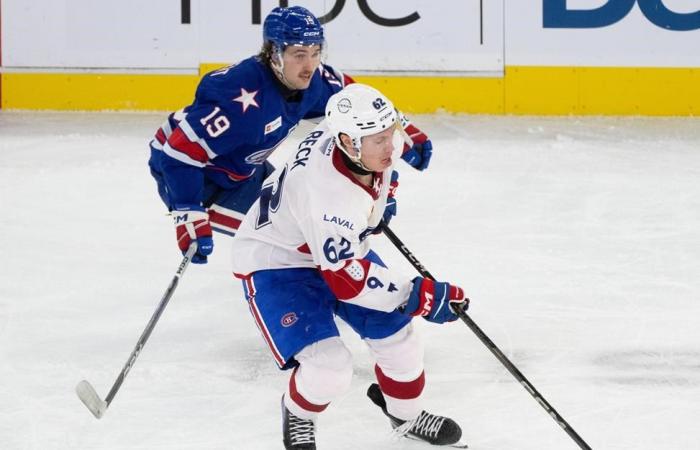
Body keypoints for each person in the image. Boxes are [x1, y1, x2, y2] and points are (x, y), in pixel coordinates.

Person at [231, 83, 469, 449]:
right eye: (380, 141)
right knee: (329, 368)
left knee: (401, 342)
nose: (391, 146)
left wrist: (383, 189)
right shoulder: (329, 199)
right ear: (348, 141)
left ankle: (404, 417)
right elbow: (348, 283)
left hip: (332, 247)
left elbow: (388, 126)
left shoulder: (361, 135)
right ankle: (298, 413)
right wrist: (418, 295)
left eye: (391, 134)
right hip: (278, 262)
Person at [147, 6, 434, 264]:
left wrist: (404, 130)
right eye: (299, 54)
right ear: (274, 54)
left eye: (315, 52)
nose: (310, 65)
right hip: (198, 178)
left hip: (246, 170)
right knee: (302, 239)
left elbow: (352, 98)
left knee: (316, 216)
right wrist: (188, 213)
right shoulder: (240, 100)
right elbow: (179, 154)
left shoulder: (312, 81)